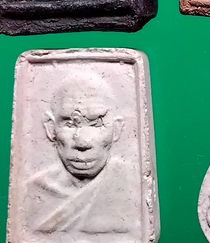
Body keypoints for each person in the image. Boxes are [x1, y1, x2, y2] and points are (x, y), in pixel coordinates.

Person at [26, 73, 136, 234]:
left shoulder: (134, 186)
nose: (82, 143)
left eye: (96, 124)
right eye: (69, 124)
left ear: (117, 129)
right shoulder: (32, 192)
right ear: (51, 129)